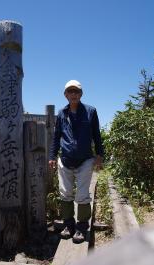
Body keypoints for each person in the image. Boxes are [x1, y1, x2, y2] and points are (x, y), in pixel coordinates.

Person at [49, 80, 104, 244]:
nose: (73, 94)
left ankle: (81, 228)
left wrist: (99, 155)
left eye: (76, 92)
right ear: (65, 94)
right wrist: (52, 156)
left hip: (85, 160)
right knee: (65, 193)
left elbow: (97, 135)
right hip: (65, 160)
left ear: (81, 94)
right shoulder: (61, 113)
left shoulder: (90, 112)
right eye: (70, 92)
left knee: (82, 195)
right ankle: (68, 225)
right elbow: (56, 137)